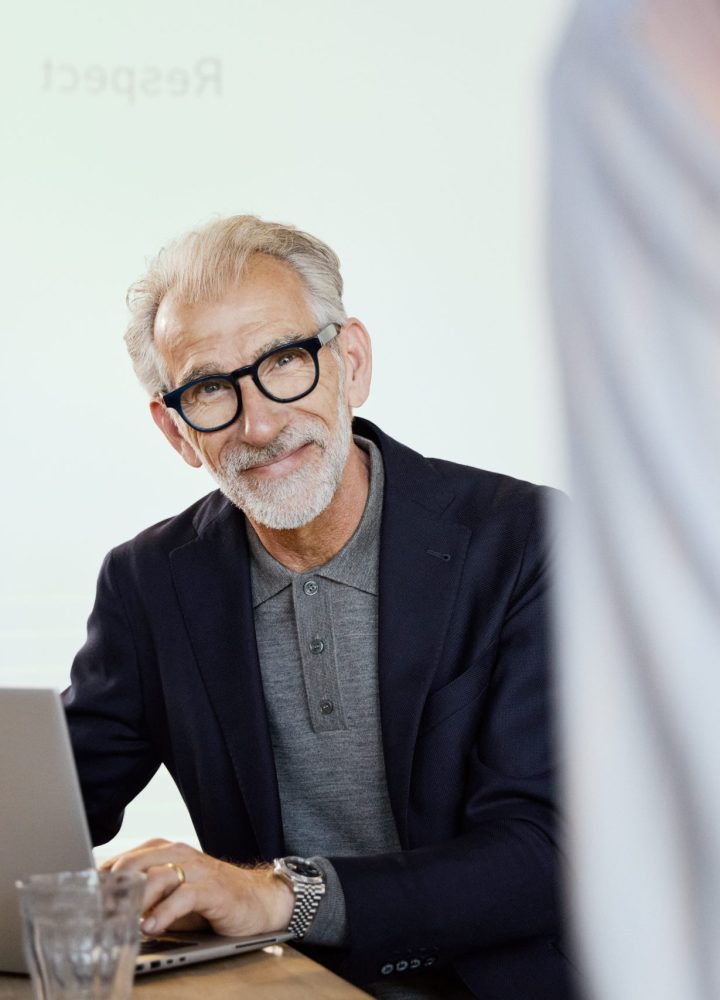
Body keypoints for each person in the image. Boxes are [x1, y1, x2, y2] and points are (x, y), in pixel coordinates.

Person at [64, 215, 575, 1000]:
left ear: (351, 362)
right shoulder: (149, 584)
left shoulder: (529, 542)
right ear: (175, 430)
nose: (259, 422)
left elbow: (547, 850)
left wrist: (278, 896)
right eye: (208, 388)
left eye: (283, 362)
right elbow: (51, 806)